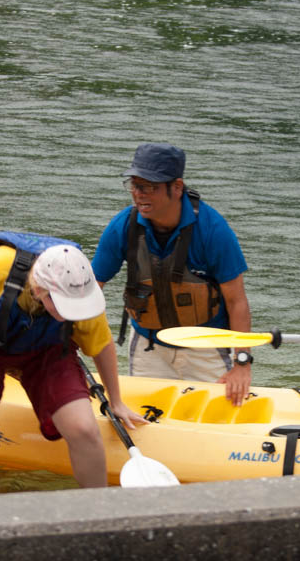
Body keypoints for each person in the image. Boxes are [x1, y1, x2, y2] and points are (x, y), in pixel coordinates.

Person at [0, 233, 147, 494]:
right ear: (38, 290)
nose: (70, 313)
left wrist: (116, 401)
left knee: (83, 428)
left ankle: (98, 513)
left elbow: (101, 345)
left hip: (46, 349)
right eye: (62, 305)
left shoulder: (80, 285)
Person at [92, 143, 254, 406]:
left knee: (214, 421)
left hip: (207, 348)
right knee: (145, 419)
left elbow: (237, 301)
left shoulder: (213, 229)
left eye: (149, 187)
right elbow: (91, 287)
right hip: (149, 347)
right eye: (134, 185)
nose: (139, 194)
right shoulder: (123, 226)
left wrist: (242, 363)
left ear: (177, 187)